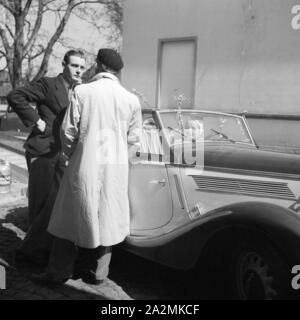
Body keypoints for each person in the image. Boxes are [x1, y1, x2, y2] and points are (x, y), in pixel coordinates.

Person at [31, 48, 142, 285]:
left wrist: (73, 155)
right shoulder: (131, 100)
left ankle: (58, 271)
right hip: (115, 166)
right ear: (118, 71)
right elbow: (134, 139)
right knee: (108, 215)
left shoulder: (83, 91)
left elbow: (67, 131)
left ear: (99, 66)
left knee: (69, 215)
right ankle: (98, 273)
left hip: (85, 163)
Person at [7, 49, 86, 266]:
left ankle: (44, 248)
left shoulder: (81, 91)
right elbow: (16, 96)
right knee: (40, 203)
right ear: (64, 65)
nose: (78, 70)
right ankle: (30, 255)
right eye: (74, 65)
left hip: (63, 154)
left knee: (54, 204)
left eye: (81, 67)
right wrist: (35, 121)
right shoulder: (49, 84)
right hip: (41, 150)